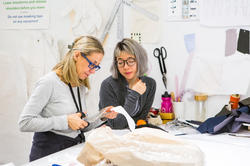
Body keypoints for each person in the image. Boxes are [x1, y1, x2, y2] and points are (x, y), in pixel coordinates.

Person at [18, 36, 117, 161]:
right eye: (92, 64)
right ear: (77, 55)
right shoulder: (49, 83)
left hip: (69, 152)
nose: (92, 71)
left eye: (96, 67)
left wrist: (101, 116)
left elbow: (79, 126)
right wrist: (65, 121)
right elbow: (24, 123)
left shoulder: (79, 85)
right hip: (47, 154)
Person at [99, 38, 156, 129]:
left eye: (130, 61)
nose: (125, 67)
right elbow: (116, 124)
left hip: (134, 134)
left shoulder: (149, 84)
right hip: (113, 136)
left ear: (140, 60)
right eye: (120, 62)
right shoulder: (108, 85)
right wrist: (134, 95)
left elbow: (141, 119)